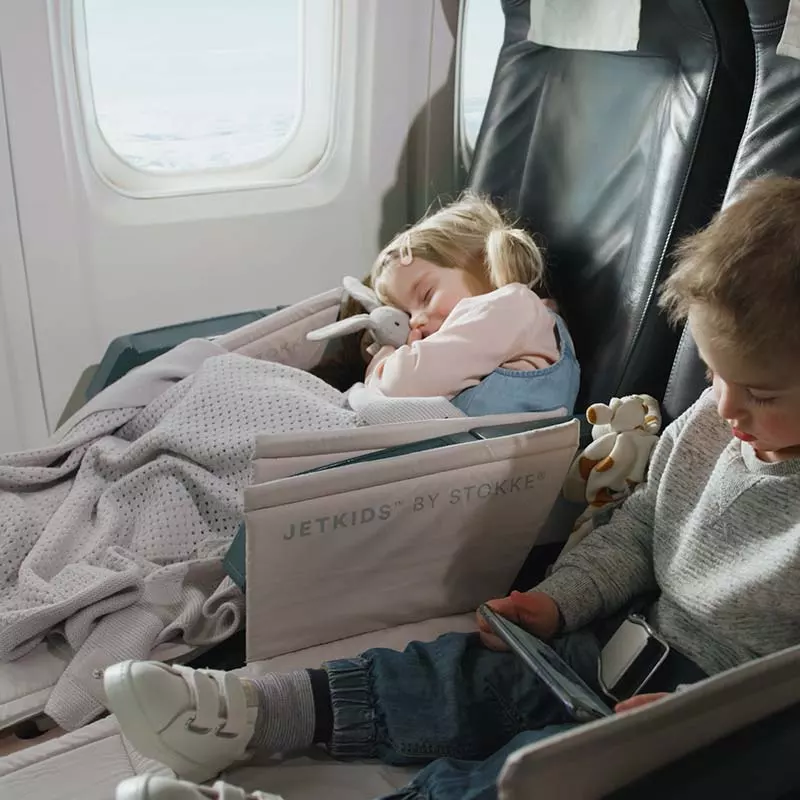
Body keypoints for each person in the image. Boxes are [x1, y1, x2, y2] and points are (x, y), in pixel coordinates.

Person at [106, 176, 800, 800]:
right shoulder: (714, 425)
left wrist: (710, 731)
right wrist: (557, 602)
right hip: (614, 645)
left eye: (761, 392)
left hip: (718, 720)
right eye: (712, 374)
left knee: (532, 777)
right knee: (460, 673)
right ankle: (256, 713)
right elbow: (645, 528)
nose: (727, 408)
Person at [327, 192, 580, 416]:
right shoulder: (507, 320)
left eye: (426, 295)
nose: (414, 321)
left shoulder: (509, 307)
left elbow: (398, 386)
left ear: (484, 264)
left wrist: (381, 364)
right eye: (406, 313)